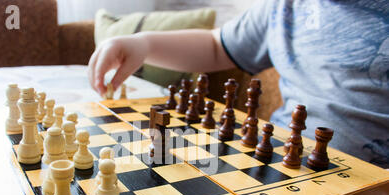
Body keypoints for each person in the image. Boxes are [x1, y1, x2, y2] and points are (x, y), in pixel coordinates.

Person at [88, 0, 388, 167]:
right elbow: (217, 47)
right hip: (280, 161)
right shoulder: (285, 7)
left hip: (373, 193)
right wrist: (144, 44)